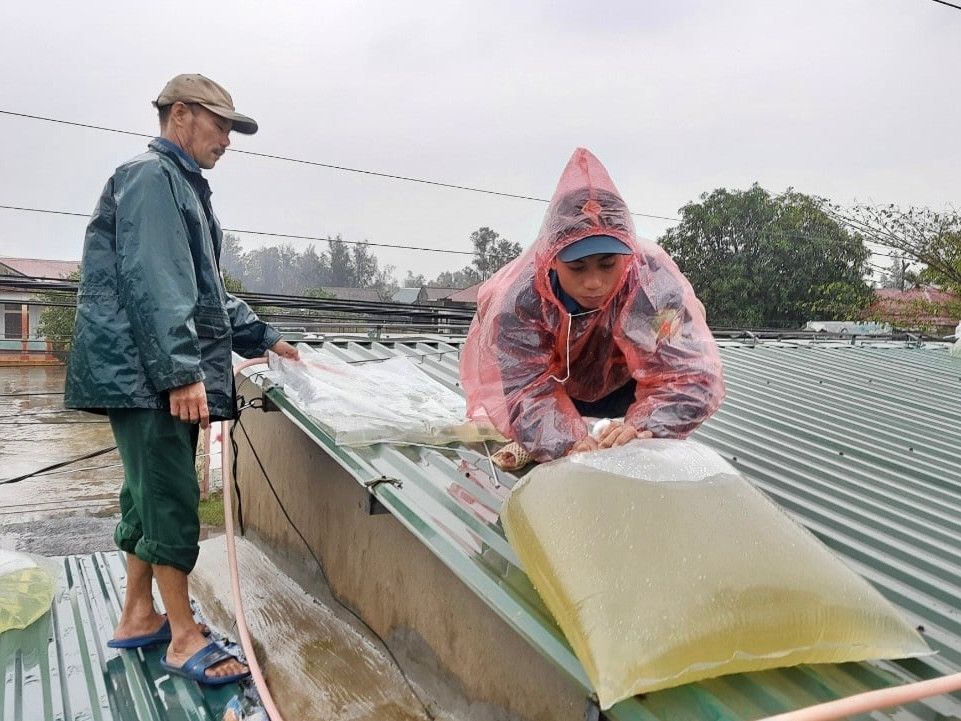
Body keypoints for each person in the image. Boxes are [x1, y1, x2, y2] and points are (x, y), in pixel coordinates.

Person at [64, 74, 299, 685]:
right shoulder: (153, 177)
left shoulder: (180, 186)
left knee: (146, 494)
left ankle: (141, 614)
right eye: (221, 125)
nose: (227, 140)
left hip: (145, 372)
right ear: (182, 116)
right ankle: (182, 638)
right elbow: (157, 281)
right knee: (169, 498)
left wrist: (266, 336)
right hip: (150, 375)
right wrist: (179, 373)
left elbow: (203, 290)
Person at [460, 148, 725, 462]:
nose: (594, 283)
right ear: (551, 259)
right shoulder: (519, 303)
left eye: (607, 264)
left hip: (629, 393)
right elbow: (524, 388)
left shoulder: (654, 289)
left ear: (625, 256)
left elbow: (689, 373)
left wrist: (645, 429)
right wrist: (563, 441)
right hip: (558, 393)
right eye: (578, 267)